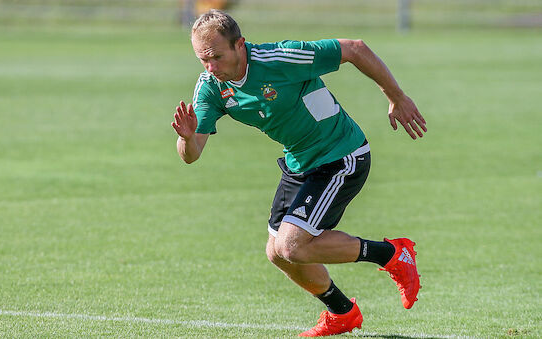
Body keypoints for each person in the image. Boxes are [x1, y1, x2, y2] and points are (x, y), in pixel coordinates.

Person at [172, 9, 425, 337]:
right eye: (202, 60)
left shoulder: (280, 58)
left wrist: (396, 96)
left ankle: (392, 254)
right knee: (277, 253)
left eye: (217, 57)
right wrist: (186, 137)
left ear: (240, 46)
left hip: (341, 155)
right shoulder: (210, 88)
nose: (210, 68)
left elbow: (355, 49)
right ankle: (342, 312)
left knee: (293, 247)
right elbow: (191, 156)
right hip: (300, 164)